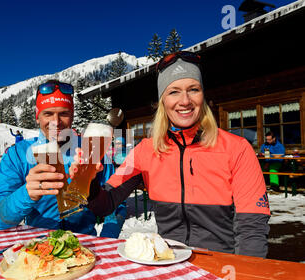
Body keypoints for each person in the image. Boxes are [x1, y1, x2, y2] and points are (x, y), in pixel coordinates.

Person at [70, 51, 270, 257]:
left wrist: (244, 276)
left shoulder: (237, 148)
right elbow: (105, 204)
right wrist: (91, 182)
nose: (185, 101)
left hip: (222, 265)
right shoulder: (144, 151)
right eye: (174, 92)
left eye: (193, 89)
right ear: (162, 101)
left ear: (203, 95)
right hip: (168, 261)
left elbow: (252, 229)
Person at [0, 80, 126, 238]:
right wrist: (26, 195)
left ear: (72, 116)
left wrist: (106, 238)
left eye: (63, 114)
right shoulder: (17, 155)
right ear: (37, 116)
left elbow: (117, 205)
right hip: (38, 248)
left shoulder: (91, 150)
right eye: (48, 114)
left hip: (85, 246)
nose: (56, 122)